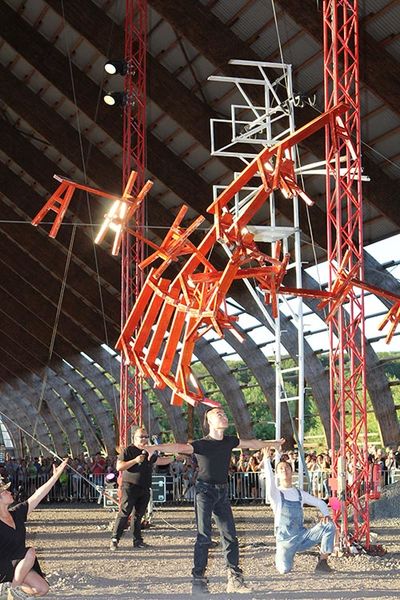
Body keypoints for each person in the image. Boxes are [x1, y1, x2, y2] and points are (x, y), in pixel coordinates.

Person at [144, 407, 281, 595]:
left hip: (222, 492)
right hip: (204, 492)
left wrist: (273, 443)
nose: (224, 416)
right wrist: (155, 447)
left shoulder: (230, 441)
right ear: (209, 422)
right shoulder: (201, 444)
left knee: (230, 536)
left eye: (225, 413)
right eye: (219, 414)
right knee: (204, 536)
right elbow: (178, 447)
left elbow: (253, 443)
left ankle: (234, 578)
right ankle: (198, 580)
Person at [0, 458, 68, 600]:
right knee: (30, 552)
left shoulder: (17, 512)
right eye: (5, 491)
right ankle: (12, 590)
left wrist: (55, 476)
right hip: (3, 564)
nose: (10, 492)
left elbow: (37, 496)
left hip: (20, 564)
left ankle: (10, 590)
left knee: (43, 589)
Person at [264, 445, 336, 575]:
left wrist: (326, 515)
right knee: (284, 570)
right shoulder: (275, 494)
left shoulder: (300, 493)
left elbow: (320, 503)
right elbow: (269, 480)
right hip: (285, 541)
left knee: (329, 525)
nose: (284, 470)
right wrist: (266, 460)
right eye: (281, 469)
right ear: (277, 474)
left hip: (302, 537)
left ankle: (322, 562)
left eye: (287, 468)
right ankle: (280, 556)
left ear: (292, 472)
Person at [110, 427, 158, 551]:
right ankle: (115, 539)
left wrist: (174, 458)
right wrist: (135, 461)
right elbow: (119, 466)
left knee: (138, 515)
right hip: (130, 486)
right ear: (134, 438)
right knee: (125, 512)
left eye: (146, 437)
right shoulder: (128, 450)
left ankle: (137, 540)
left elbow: (158, 461)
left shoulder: (149, 451)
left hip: (144, 487)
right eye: (141, 437)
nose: (144, 439)